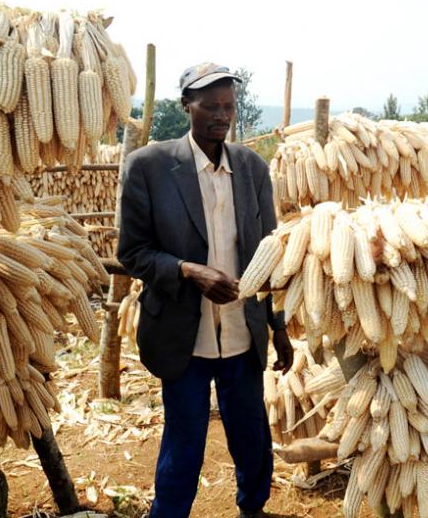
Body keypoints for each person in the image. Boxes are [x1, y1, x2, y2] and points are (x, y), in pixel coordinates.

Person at [117, 62, 293, 518]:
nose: (221, 115)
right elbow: (133, 252)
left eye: (229, 106)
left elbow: (270, 255)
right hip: (183, 335)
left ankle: (253, 508)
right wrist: (189, 272)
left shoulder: (252, 168)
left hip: (241, 331)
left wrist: (279, 327)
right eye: (210, 106)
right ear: (186, 106)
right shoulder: (149, 167)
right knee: (185, 441)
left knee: (251, 436)